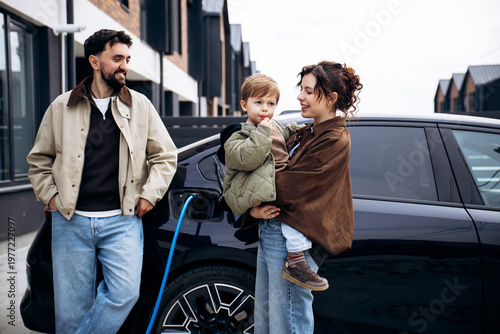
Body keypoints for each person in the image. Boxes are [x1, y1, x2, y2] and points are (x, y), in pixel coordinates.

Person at [27, 29, 177, 333]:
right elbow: (39, 160)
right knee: (70, 312)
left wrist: (149, 195)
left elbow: (165, 155)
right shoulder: (61, 107)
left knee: (124, 294)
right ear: (95, 61)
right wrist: (52, 198)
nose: (124, 65)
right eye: (117, 58)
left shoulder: (141, 106)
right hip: (71, 223)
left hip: (122, 222)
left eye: (127, 59)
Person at [250, 61, 363, 334]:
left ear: (331, 98)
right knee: (267, 322)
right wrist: (253, 207)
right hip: (273, 231)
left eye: (309, 91)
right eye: (301, 89)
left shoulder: (335, 139)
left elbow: (287, 186)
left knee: (287, 322)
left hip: (291, 242)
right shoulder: (306, 131)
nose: (300, 96)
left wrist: (245, 196)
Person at [217, 73, 329, 291]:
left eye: (270, 103)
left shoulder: (273, 125)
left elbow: (285, 133)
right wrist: (262, 133)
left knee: (295, 208)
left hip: (276, 183)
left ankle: (298, 258)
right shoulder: (239, 134)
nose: (265, 109)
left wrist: (302, 129)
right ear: (244, 105)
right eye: (258, 103)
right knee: (292, 212)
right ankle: (296, 261)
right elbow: (248, 159)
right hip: (259, 188)